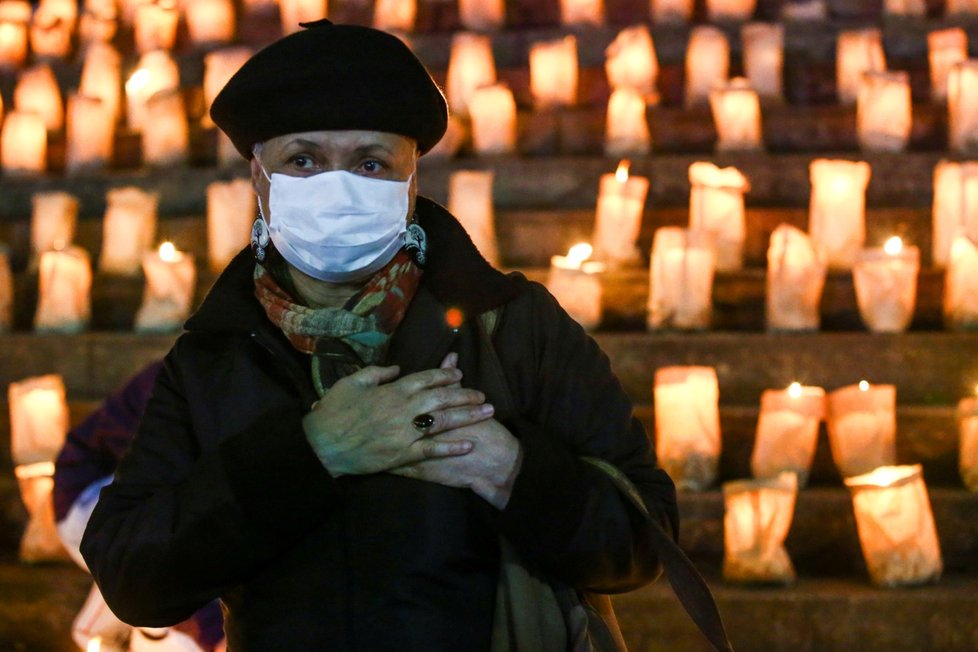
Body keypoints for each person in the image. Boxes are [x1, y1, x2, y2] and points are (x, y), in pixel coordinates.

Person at [81, 19, 679, 650]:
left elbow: (646, 544)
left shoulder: (512, 325)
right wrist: (311, 454)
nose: (337, 187)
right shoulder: (218, 350)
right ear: (260, 178)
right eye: (303, 159)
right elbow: (133, 579)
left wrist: (515, 472)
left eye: (370, 162)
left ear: (410, 177)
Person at [54, 360, 226, 652]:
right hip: (90, 496)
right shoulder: (183, 375)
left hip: (150, 514)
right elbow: (159, 491)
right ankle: (105, 632)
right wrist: (211, 629)